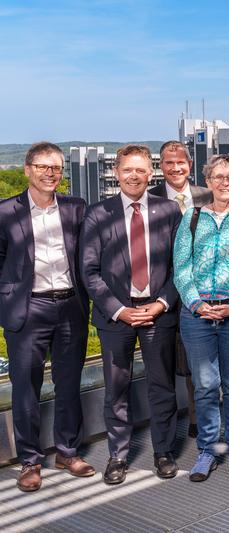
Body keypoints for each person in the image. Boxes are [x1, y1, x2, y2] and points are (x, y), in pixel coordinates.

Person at [80, 144, 182, 485]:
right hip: (116, 318)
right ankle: (118, 455)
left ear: (150, 173)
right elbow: (89, 271)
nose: (134, 175)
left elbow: (181, 267)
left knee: (161, 386)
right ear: (116, 173)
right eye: (128, 170)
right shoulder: (98, 214)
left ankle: (163, 451)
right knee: (116, 389)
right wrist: (120, 310)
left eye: (140, 170)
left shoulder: (169, 211)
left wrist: (162, 303)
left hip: (158, 313)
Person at [0, 142, 94, 492]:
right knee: (26, 389)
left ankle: (67, 452)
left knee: (70, 383)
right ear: (27, 170)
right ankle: (29, 461)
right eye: (43, 167)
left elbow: (88, 254)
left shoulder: (75, 207)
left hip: (70, 305)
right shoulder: (6, 211)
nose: (51, 173)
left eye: (56, 167)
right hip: (28, 309)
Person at [172, 155, 229, 482]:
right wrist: (196, 303)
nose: (225, 182)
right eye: (218, 177)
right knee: (206, 386)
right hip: (197, 316)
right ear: (207, 181)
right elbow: (181, 267)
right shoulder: (191, 218)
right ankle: (208, 450)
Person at [149, 140, 213, 440]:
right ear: (160, 166)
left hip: (200, 289)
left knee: (197, 357)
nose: (175, 168)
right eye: (168, 163)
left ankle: (199, 420)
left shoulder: (206, 195)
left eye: (181, 162)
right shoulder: (150, 199)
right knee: (163, 362)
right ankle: (166, 429)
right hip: (162, 289)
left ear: (190, 164)